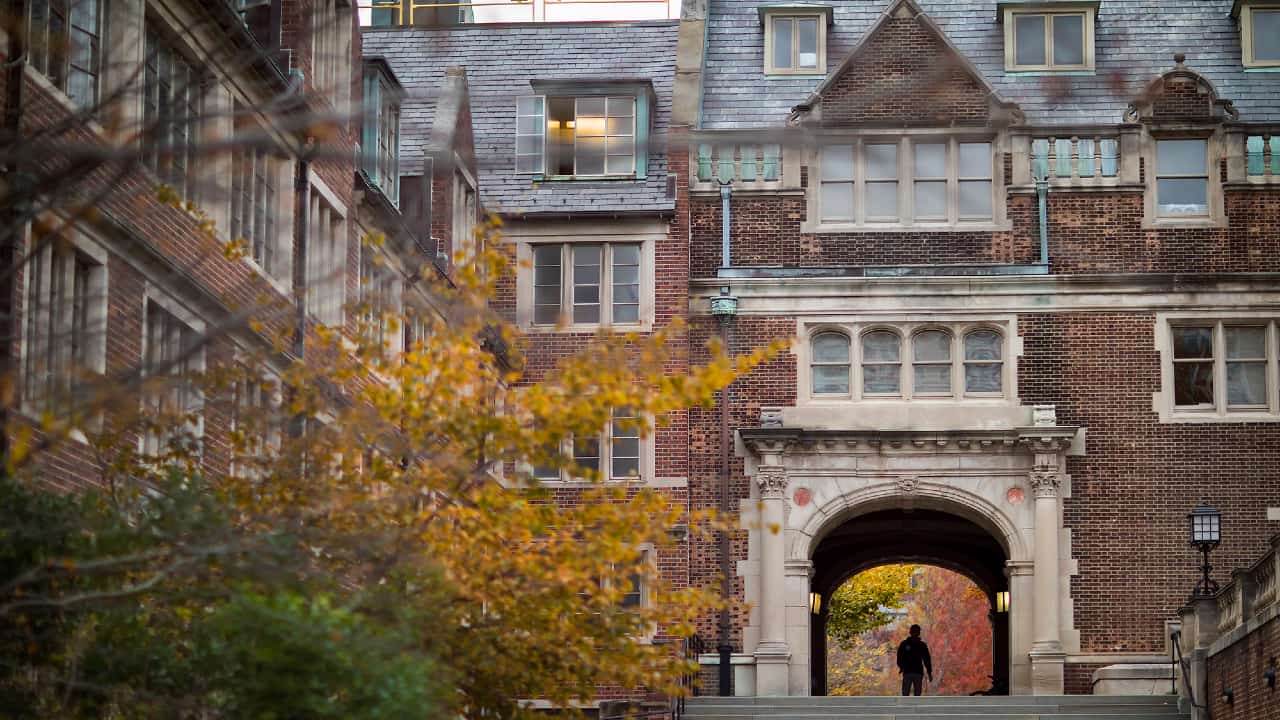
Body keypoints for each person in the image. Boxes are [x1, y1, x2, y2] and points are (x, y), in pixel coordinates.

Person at [896, 624, 933, 696]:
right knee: (907, 693)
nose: (915, 633)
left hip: (916, 672)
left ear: (918, 633)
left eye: (916, 631)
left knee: (914, 694)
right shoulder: (905, 644)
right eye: (914, 631)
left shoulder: (921, 645)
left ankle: (914, 707)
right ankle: (907, 707)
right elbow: (899, 657)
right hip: (909, 671)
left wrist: (929, 672)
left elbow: (927, 659)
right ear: (910, 632)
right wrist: (902, 667)